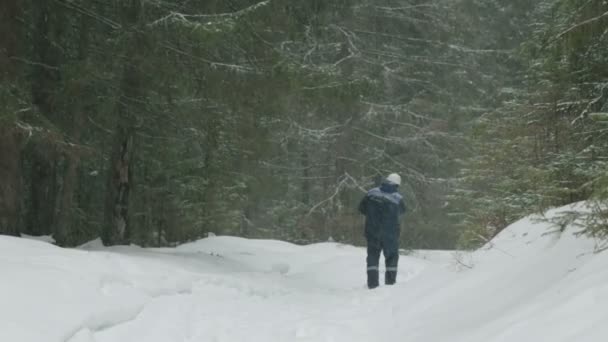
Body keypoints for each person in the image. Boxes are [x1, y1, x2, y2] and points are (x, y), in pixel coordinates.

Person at [358, 173, 406, 289]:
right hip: (390, 234)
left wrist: (373, 216)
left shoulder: (371, 193)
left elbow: (361, 208)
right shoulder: (398, 198)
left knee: (372, 257)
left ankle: (372, 285)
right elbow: (402, 211)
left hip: (372, 231)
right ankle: (390, 285)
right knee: (391, 258)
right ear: (397, 185)